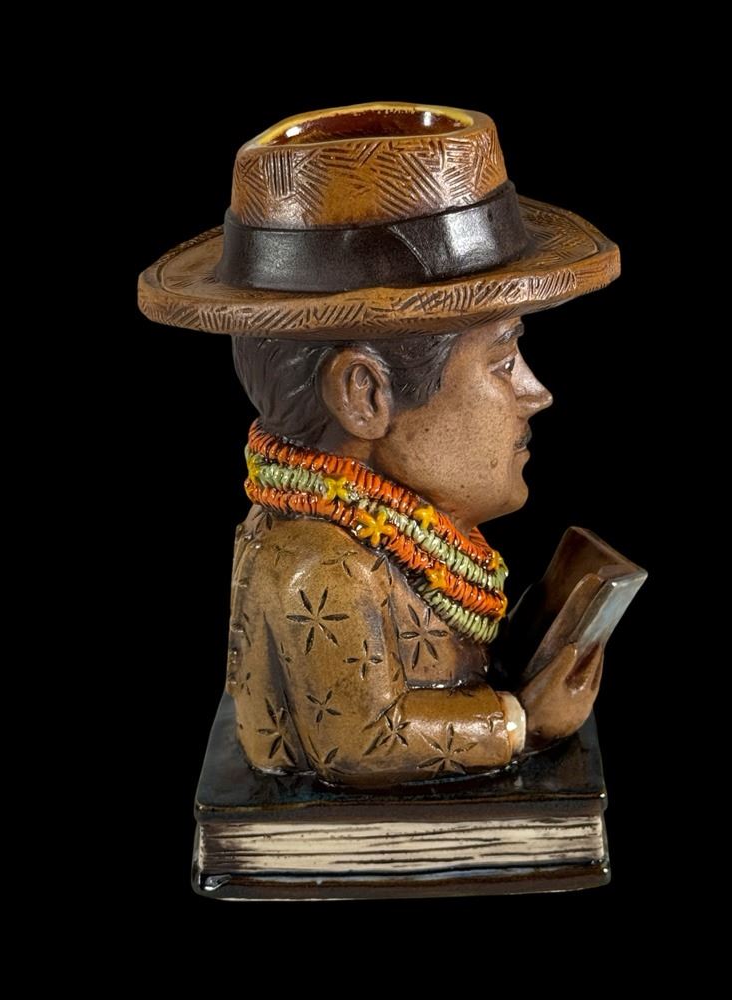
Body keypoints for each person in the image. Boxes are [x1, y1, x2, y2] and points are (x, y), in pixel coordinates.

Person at [138, 101, 629, 788]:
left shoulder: (377, 542)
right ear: (365, 394)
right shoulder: (322, 566)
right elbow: (361, 741)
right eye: (501, 361)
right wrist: (521, 722)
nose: (536, 391)